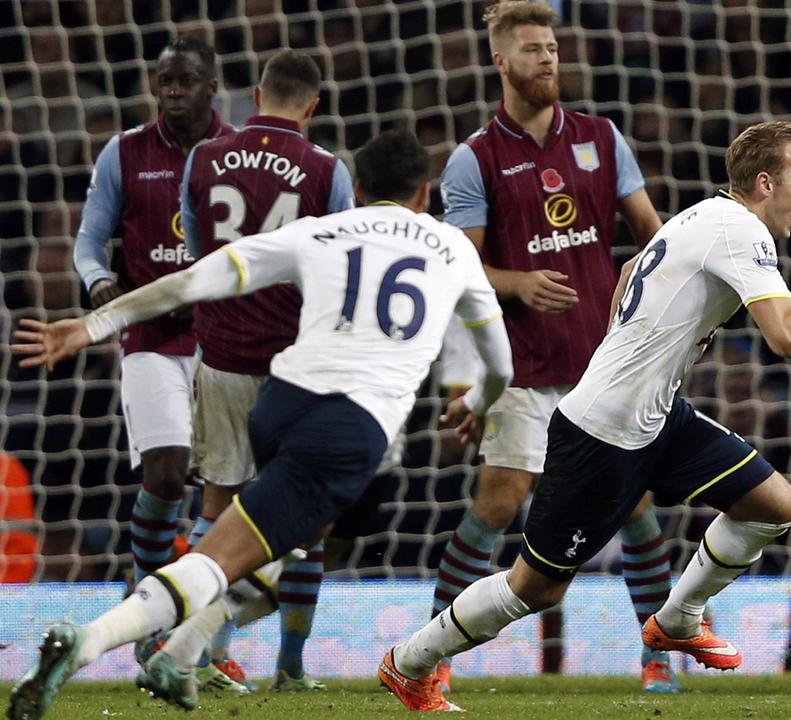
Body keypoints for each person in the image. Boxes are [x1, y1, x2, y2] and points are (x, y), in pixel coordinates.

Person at [375, 120, 791, 713]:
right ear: (764, 182)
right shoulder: (739, 230)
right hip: (602, 432)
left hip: (655, 417)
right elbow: (786, 337)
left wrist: (639, 347)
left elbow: (629, 274)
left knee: (774, 505)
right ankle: (409, 661)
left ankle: (678, 617)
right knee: (537, 588)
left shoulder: (702, 216)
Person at [7, 129, 513, 720]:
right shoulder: (453, 246)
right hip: (349, 429)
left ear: (360, 189)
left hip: (281, 402)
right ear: (425, 193)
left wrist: (92, 325)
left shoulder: (320, 230)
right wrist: (478, 402)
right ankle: (90, 641)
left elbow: (195, 280)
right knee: (227, 558)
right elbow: (500, 362)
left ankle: (183, 652)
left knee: (286, 542)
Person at [432, 0, 672, 693]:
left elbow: (651, 236)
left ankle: (657, 658)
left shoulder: (601, 137)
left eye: (553, 48)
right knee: (501, 500)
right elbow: (460, 267)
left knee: (636, 506)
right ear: (500, 60)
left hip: (604, 364)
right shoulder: (475, 159)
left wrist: (647, 282)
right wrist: (516, 283)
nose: (548, 59)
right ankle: (434, 650)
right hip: (525, 367)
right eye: (533, 49)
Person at [174, 48, 355, 692]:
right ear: (311, 105)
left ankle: (208, 655)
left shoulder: (203, 156)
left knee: (217, 503)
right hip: (293, 364)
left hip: (220, 354)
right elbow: (338, 270)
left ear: (256, 94)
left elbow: (198, 253)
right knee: (310, 513)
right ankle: (290, 666)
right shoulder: (327, 169)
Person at [71, 35, 231, 603]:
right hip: (151, 336)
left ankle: (201, 629)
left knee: (224, 490)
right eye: (165, 81)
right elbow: (89, 240)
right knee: (165, 474)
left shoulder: (238, 155)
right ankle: (148, 596)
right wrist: (99, 281)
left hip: (227, 339)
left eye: (185, 81)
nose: (173, 92)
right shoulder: (125, 151)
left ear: (212, 87)